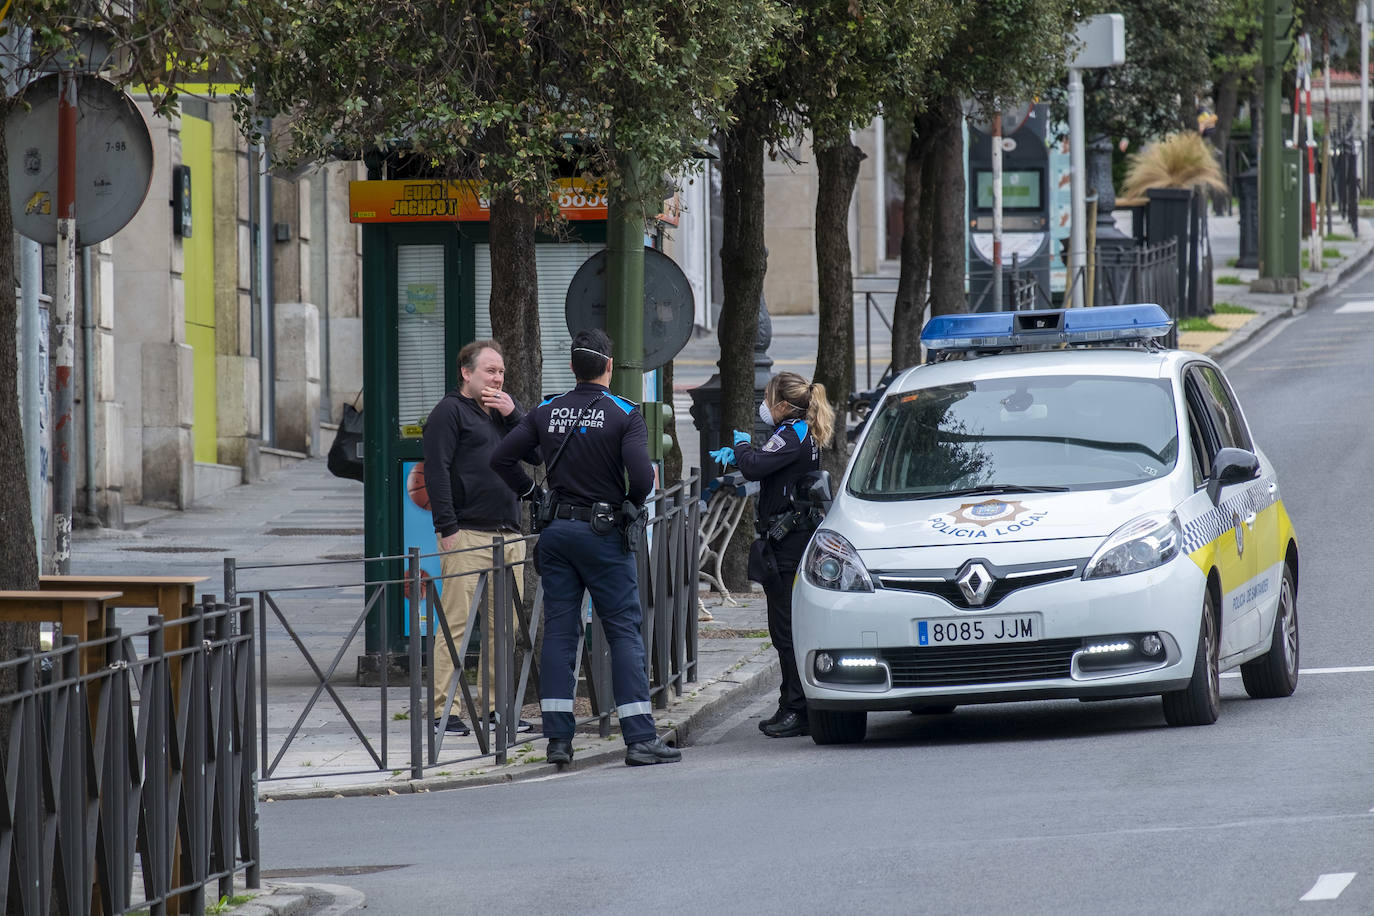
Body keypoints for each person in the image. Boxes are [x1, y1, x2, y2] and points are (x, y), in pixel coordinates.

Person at [490, 329, 681, 768]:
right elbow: (644, 477)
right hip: (603, 536)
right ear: (609, 367)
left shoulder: (547, 409)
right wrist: (630, 507)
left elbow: (501, 457)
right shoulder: (623, 414)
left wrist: (532, 496)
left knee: (560, 632)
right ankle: (639, 739)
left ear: (573, 367)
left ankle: (558, 740)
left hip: (557, 534)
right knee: (622, 631)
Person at [422, 339, 536, 737]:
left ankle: (494, 708)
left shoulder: (504, 415)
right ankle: (443, 711)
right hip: (466, 534)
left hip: (507, 534)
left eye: (501, 372)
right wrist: (447, 528)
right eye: (490, 371)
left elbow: (536, 455)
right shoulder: (448, 413)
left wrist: (515, 414)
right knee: (455, 625)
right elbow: (436, 471)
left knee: (505, 629)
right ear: (466, 374)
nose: (497, 377)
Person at [711, 371, 833, 739]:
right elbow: (769, 465)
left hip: (788, 543)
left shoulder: (791, 434)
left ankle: (797, 708)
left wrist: (744, 447)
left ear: (783, 405)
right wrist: (747, 454)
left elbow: (755, 465)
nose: (763, 405)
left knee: (785, 629)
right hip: (793, 538)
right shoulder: (799, 431)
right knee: (789, 627)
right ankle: (794, 703)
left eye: (767, 398)